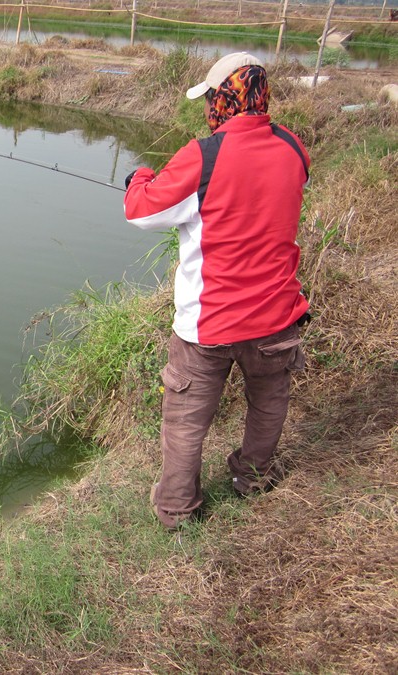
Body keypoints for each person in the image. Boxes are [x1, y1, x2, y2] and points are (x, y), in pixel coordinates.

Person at [123, 52, 311, 529]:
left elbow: (142, 211)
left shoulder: (204, 155)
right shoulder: (294, 148)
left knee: (186, 419)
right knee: (269, 404)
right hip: (277, 317)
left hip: (209, 325)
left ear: (223, 99)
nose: (208, 105)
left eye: (210, 96)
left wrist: (139, 177)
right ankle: (253, 479)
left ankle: (177, 510)